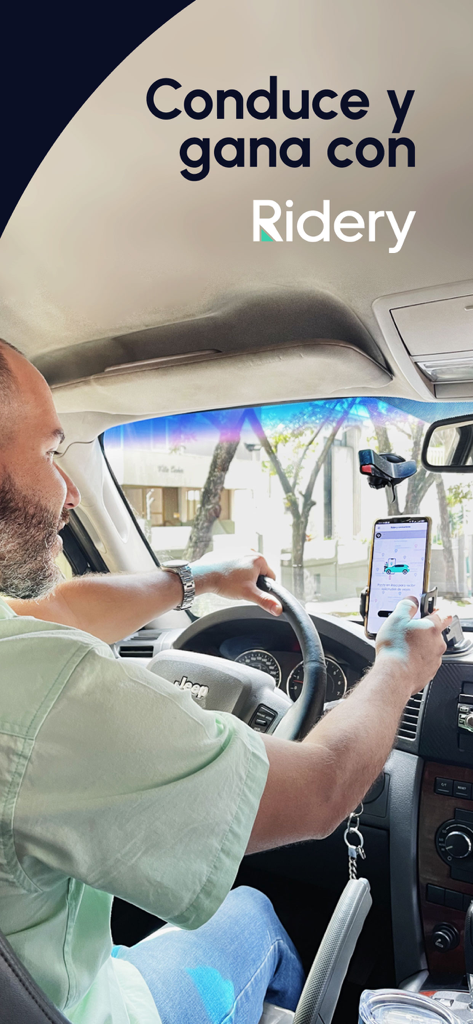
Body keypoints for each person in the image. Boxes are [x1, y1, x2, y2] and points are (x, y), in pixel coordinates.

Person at [0, 339, 450, 1024]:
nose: (70, 493)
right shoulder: (43, 689)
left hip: (45, 981)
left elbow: (55, 611)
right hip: (88, 1009)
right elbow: (323, 789)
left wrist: (198, 578)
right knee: (253, 912)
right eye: (48, 452)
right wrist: (398, 665)